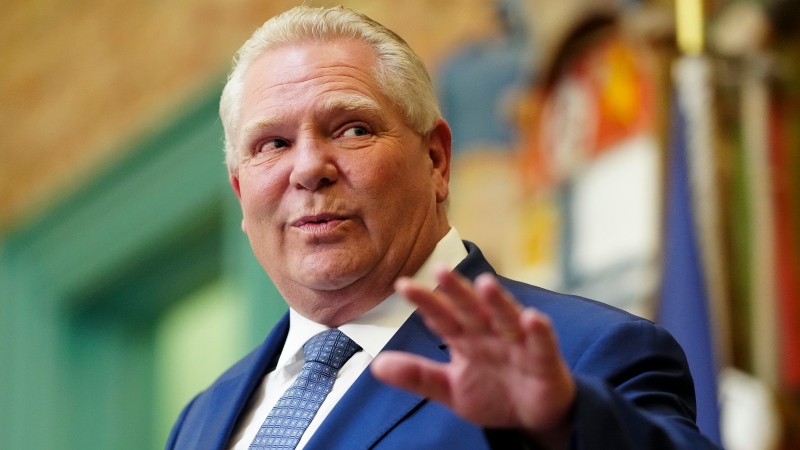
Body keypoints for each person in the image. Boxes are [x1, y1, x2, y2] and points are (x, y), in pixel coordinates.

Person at [166, 6, 720, 450]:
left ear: (435, 160)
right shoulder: (202, 419)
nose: (309, 167)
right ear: (242, 194)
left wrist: (564, 427)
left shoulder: (585, 357)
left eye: (353, 128)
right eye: (273, 144)